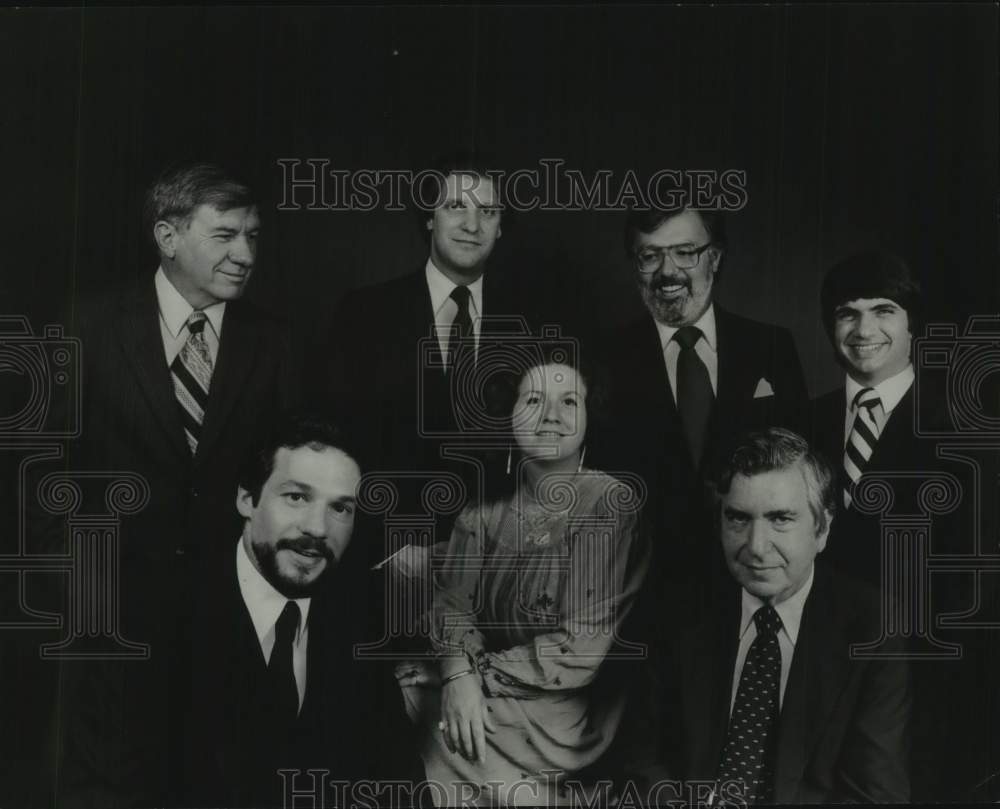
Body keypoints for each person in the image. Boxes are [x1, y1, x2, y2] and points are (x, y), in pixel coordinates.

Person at [56, 162, 300, 806]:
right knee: (107, 780)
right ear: (167, 236)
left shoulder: (273, 343)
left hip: (226, 610)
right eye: (225, 236)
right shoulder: (88, 327)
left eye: (253, 236)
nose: (245, 253)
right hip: (109, 610)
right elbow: (40, 466)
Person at [399, 346, 649, 806]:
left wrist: (474, 677)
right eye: (533, 400)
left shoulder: (608, 503)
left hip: (556, 713)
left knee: (426, 712)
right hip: (476, 690)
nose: (549, 415)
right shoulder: (488, 501)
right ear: (509, 412)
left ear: (592, 414)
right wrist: (456, 673)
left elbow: (579, 647)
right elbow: (452, 602)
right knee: (399, 689)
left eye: (569, 402)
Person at [618, 428, 911, 804]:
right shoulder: (680, 608)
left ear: (822, 529)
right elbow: (641, 762)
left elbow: (874, 795)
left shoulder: (873, 624)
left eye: (781, 519)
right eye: (738, 519)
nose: (756, 547)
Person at [809, 250, 988, 800]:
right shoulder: (800, 419)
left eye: (884, 310)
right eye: (847, 312)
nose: (864, 329)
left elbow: (975, 584)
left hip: (925, 682)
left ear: (913, 323)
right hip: (816, 675)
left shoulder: (964, 429)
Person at [178, 415, 423, 807]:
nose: (318, 528)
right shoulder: (165, 613)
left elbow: (398, 777)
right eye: (297, 497)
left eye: (341, 508)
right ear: (247, 498)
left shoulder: (358, 615)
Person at [594, 205, 807, 592]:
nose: (668, 271)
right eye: (650, 255)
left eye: (685, 252)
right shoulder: (600, 359)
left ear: (715, 257)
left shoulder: (772, 347)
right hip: (636, 592)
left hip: (750, 584)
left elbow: (799, 472)